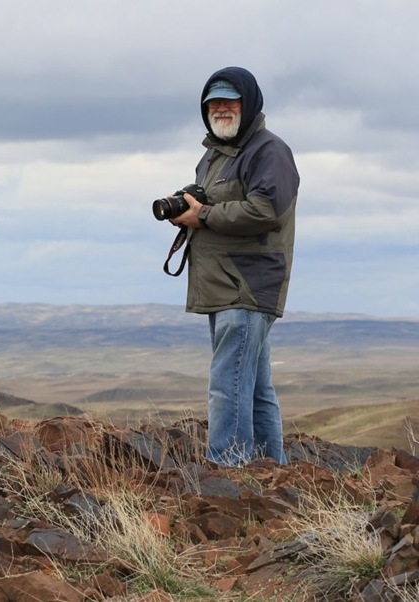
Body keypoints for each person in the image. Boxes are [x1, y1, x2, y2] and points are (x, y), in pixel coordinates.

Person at [171, 66, 300, 466]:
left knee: (228, 383)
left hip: (247, 285)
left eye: (230, 101)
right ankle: (268, 471)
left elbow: (266, 210)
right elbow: (214, 203)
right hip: (224, 286)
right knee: (256, 386)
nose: (221, 108)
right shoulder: (214, 156)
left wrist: (204, 215)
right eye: (214, 102)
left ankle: (229, 466)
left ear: (249, 103)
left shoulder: (269, 150)